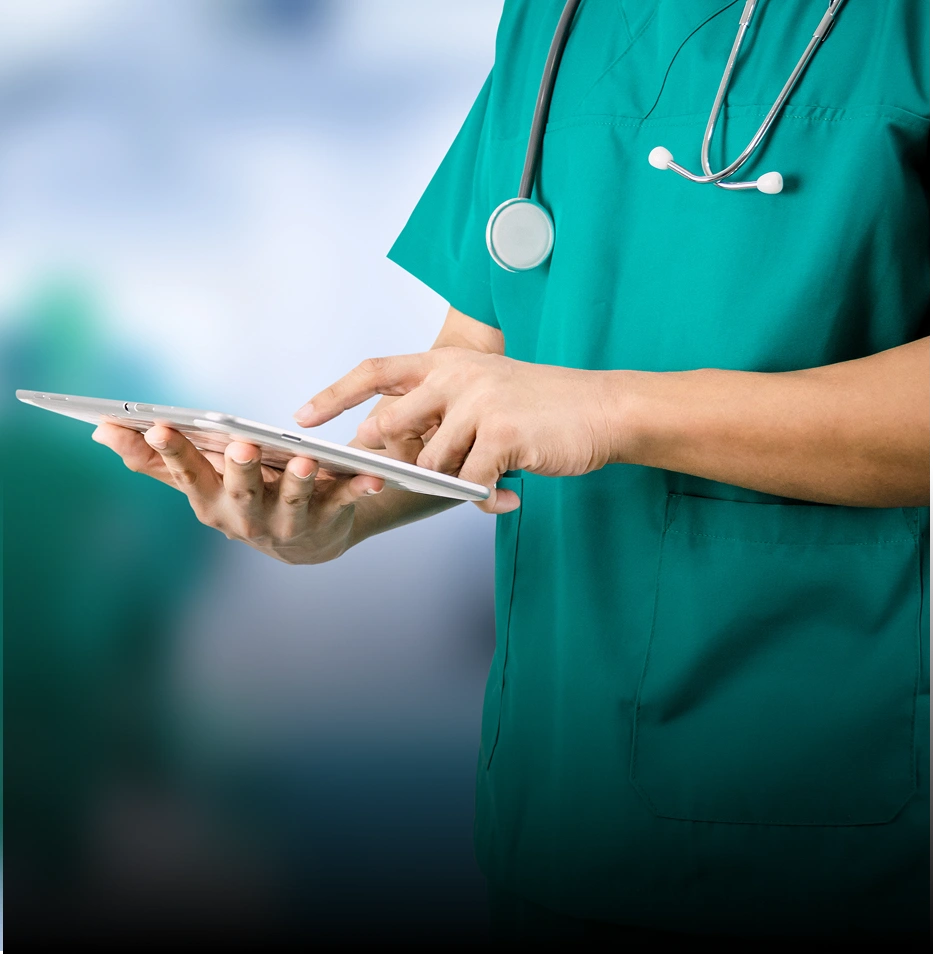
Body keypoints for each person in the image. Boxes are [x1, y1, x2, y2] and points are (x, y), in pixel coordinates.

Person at [93, 0, 930, 942]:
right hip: (562, 803)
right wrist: (347, 500)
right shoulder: (555, 17)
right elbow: (492, 359)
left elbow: (566, 402)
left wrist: (611, 412)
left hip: (849, 809)